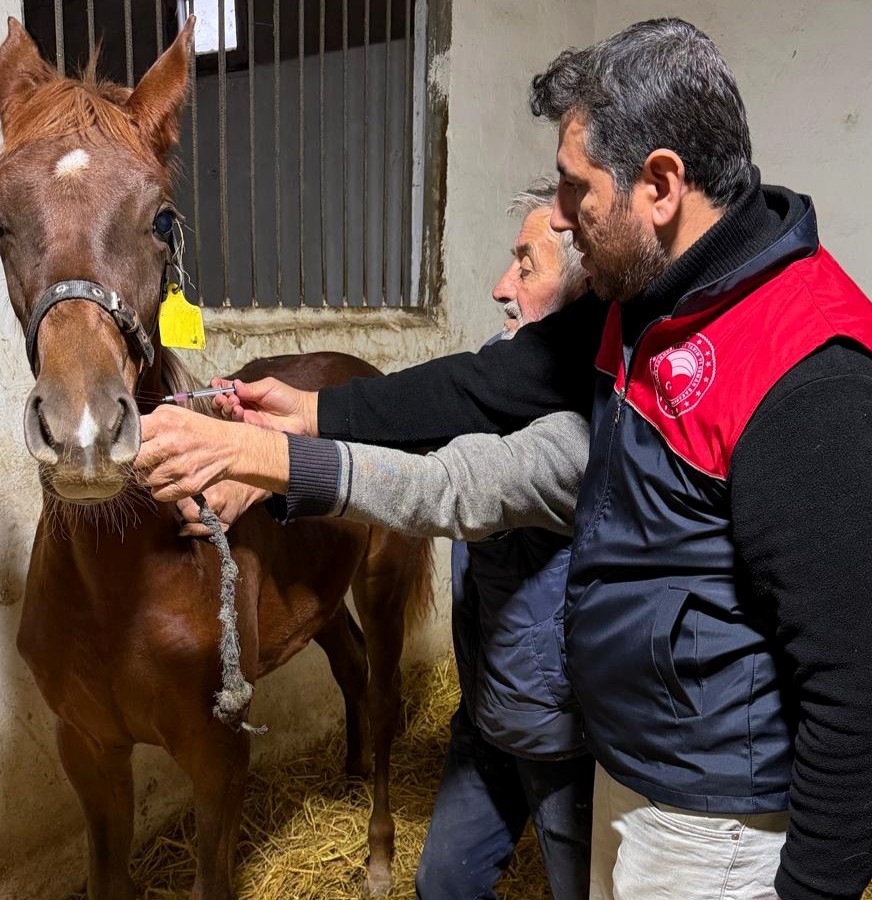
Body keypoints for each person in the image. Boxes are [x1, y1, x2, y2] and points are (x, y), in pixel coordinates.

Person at [173, 19, 872, 900]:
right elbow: (481, 388)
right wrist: (312, 411)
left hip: (715, 822)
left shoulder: (813, 374)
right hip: (627, 767)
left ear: (661, 184)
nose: (564, 216)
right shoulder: (649, 308)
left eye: (577, 190)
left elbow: (867, 689)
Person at [139, 182, 598, 899]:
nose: (500, 285)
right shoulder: (500, 373)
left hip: (563, 735)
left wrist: (267, 464)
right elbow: (421, 413)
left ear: (584, 295)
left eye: (527, 266)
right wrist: (304, 417)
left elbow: (438, 485)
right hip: (487, 715)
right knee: (442, 882)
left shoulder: (583, 431)